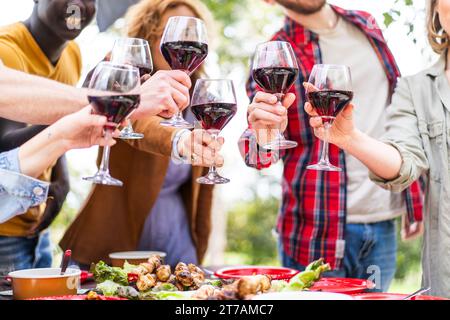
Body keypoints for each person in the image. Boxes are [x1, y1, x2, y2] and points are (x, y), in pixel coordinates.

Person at [240, 0, 424, 291]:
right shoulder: (276, 51)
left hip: (382, 222)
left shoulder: (366, 24)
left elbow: (395, 114)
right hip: (316, 231)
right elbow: (256, 150)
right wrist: (262, 134)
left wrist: (415, 199)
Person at [305, 0, 450, 298]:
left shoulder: (365, 27)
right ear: (435, 9)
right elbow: (404, 163)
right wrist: (350, 139)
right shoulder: (415, 89)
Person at [60, 0, 221, 268]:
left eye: (191, 35)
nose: (182, 42)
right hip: (117, 230)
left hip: (178, 235)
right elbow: (139, 122)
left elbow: (206, 177)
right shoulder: (121, 73)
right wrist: (179, 139)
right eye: (170, 31)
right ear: (149, 32)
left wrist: (199, 241)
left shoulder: (200, 97)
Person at [0, 0, 96, 271]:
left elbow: (52, 130)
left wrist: (62, 180)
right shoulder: (6, 51)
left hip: (36, 222)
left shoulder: (73, 54)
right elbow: (4, 149)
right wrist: (85, 105)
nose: (78, 5)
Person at [0, 106, 117, 274]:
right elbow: (5, 143)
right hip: (8, 226)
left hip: (37, 218)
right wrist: (76, 112)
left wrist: (62, 176)